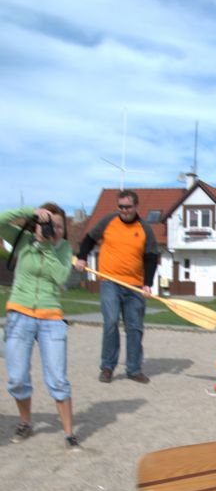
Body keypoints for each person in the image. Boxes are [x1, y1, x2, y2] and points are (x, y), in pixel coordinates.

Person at [1, 204, 80, 449]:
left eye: (58, 226)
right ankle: (25, 422)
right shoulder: (24, 238)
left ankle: (68, 433)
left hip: (51, 316)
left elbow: (60, 277)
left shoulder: (64, 249)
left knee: (58, 379)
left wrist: (45, 246)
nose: (53, 229)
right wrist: (27, 212)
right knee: (17, 378)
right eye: (49, 223)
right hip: (19, 312)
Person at [75, 189, 158, 384]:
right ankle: (107, 367)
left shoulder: (145, 228)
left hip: (135, 285)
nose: (124, 210)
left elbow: (151, 257)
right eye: (121, 207)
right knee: (111, 322)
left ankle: (134, 369)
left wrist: (147, 284)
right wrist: (82, 257)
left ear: (136, 206)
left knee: (135, 327)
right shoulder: (108, 221)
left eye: (128, 207)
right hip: (110, 281)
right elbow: (89, 239)